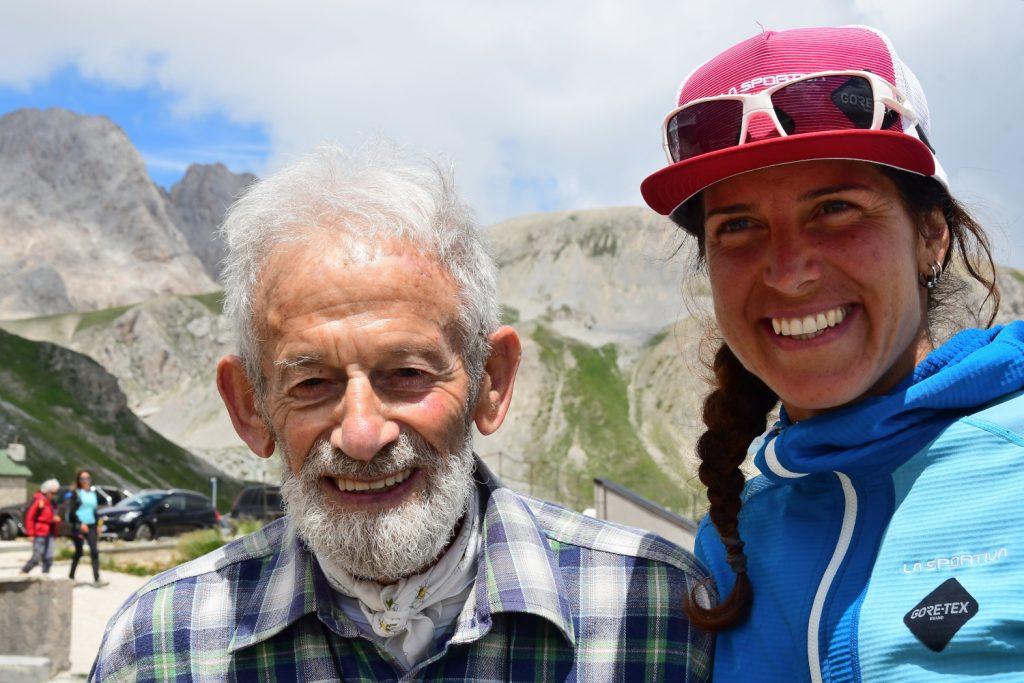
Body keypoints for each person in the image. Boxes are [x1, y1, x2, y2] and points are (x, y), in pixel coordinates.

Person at [91, 144, 714, 681]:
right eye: (311, 382)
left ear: (491, 382)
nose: (362, 434)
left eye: (408, 374)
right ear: (250, 407)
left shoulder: (657, 614)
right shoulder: (160, 644)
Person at [640, 25, 1024, 682]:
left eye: (836, 208)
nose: (789, 272)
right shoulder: (732, 541)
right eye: (738, 226)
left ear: (931, 235)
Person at [68, 468, 106, 587]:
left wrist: (99, 525)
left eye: (87, 478)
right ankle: (71, 577)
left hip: (92, 525)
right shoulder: (76, 493)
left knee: (94, 551)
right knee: (79, 552)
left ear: (90, 479)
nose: (85, 480)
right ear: (79, 480)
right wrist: (80, 523)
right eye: (82, 479)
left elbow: (95, 511)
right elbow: (72, 512)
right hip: (79, 526)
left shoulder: (93, 494)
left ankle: (97, 579)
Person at [20, 478, 61, 575]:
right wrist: (30, 533)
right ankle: (24, 571)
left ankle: (45, 575)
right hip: (40, 532)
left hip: (50, 532)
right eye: (53, 493)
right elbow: (30, 517)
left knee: (49, 556)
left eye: (56, 493)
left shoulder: (53, 503)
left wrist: (57, 520)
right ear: (46, 491)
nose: (54, 495)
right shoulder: (39, 501)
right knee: (37, 556)